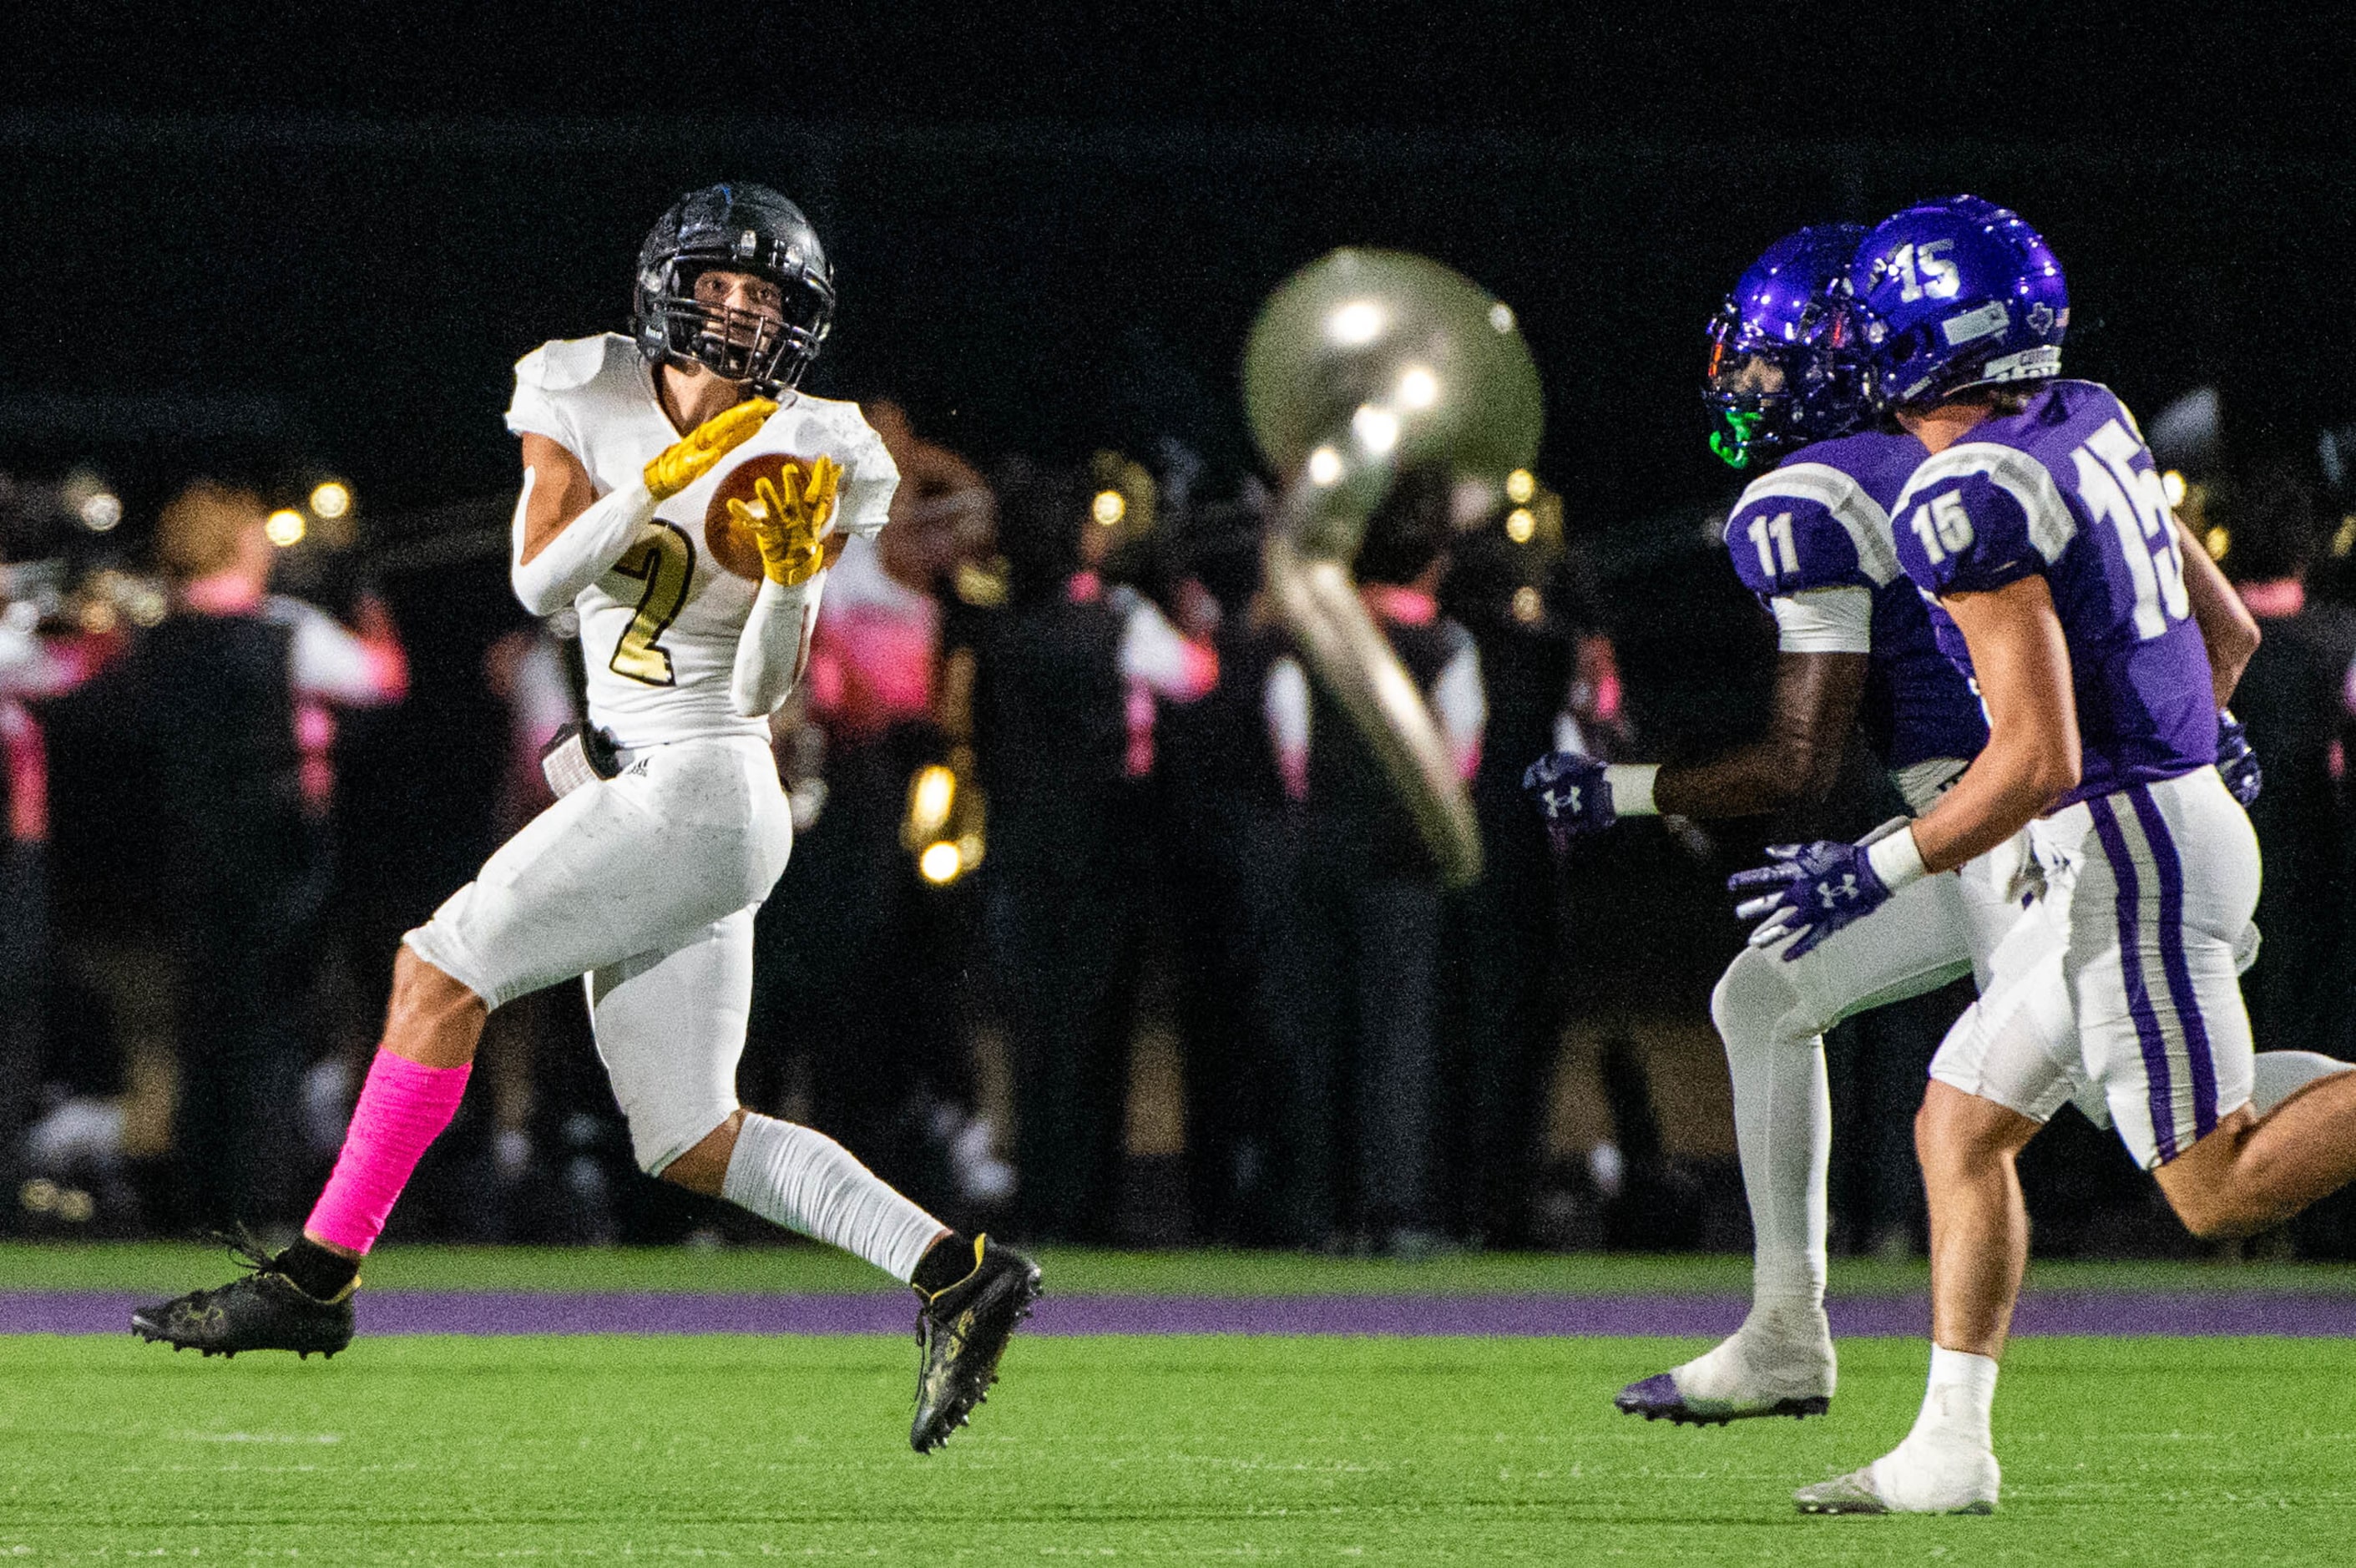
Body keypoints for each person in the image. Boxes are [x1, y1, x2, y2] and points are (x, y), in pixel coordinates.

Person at [132, 183, 1039, 1454]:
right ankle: (959, 1268)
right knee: (688, 1134)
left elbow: (767, 685)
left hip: (711, 780)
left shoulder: (829, 441)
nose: (736, 312)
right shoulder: (579, 383)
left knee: (434, 968)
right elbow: (541, 579)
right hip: (631, 779)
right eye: (718, 284)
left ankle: (317, 1279)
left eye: (763, 296)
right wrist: (665, 478)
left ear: (799, 320)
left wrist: (785, 583)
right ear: (668, 285)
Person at [1737, 198, 2356, 1515]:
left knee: (2216, 1186)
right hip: (2153, 821)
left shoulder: (1966, 499)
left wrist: (1875, 868)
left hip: (2118, 846)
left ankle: (1954, 1443)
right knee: (1957, 1123)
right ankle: (1950, 1450)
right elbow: (2229, 635)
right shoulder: (2090, 414)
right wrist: (2194, 744)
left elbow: (2036, 760)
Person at [1524, 226, 2004, 1422]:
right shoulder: (2001, 448)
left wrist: (1624, 791)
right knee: (1764, 992)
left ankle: (1797, 1335)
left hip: (2020, 826)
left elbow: (1798, 767)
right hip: (2012, 818)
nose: (1741, 386)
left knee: (2193, 1135)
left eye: (1767, 363)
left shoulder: (1815, 495)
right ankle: (1784, 1329)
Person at [1265, 466, 1484, 1253]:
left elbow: (1290, 746)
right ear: (1432, 563)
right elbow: (1459, 761)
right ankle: (1393, 1214)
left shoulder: (1316, 640)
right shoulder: (1447, 644)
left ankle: (1319, 1212)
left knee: (1319, 1033)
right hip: (1403, 867)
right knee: (1398, 1039)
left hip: (1320, 855)